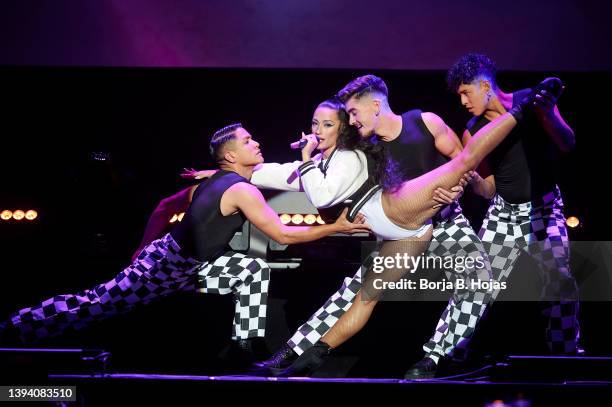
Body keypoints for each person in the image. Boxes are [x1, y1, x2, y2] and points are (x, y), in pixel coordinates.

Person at [274, 74, 564, 377]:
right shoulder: (363, 150)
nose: (352, 120)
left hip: (445, 223)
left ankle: (435, 358)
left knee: (478, 282)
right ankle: (293, 350)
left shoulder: (426, 122)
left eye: (355, 113)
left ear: (375, 105)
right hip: (403, 232)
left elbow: (470, 168)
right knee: (358, 291)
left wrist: (459, 188)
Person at [0, 124, 370, 361]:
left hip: (189, 268)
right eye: (247, 141)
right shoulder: (241, 190)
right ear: (231, 156)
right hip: (163, 269)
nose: (256, 143)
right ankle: (17, 326)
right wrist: (337, 227)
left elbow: (163, 207)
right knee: (98, 304)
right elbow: (284, 234)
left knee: (252, 268)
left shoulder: (210, 183)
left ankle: (246, 346)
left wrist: (139, 249)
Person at [441, 53, 580, 356]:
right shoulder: (473, 130)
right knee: (475, 284)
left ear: (485, 85)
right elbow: (489, 188)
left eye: (466, 92)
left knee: (559, 280)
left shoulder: (530, 100)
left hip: (545, 208)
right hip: (504, 212)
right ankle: (444, 354)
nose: (463, 101)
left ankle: (565, 354)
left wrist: (549, 112)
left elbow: (567, 142)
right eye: (459, 95)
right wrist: (472, 178)